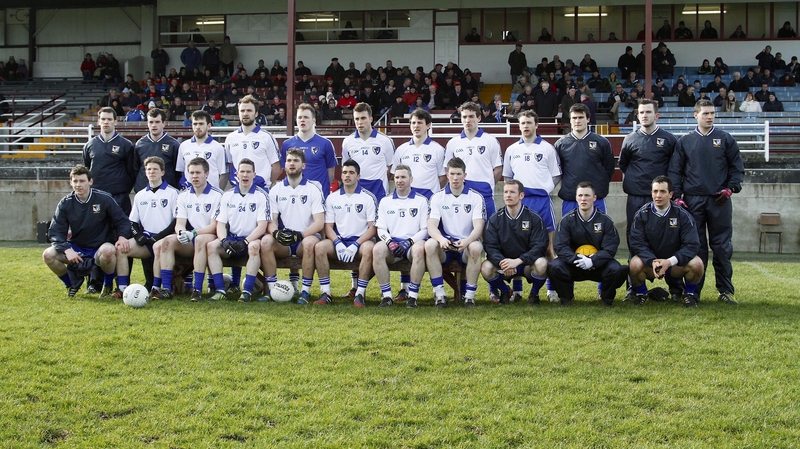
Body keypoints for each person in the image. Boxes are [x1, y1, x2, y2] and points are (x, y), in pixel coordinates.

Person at [669, 99, 744, 304]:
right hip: (693, 202)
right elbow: (675, 171)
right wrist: (677, 196)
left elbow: (737, 169)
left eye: (712, 113)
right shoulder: (684, 141)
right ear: (696, 115)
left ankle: (725, 291)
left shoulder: (725, 139)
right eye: (705, 113)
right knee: (696, 247)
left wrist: (731, 188)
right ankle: (693, 291)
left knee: (721, 247)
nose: (710, 117)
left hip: (719, 200)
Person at [618, 98, 680, 300]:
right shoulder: (630, 139)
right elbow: (624, 165)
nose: (644, 115)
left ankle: (676, 289)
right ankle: (633, 289)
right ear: (637, 115)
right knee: (634, 241)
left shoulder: (669, 139)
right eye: (641, 112)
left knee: (670, 240)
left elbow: (675, 168)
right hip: (636, 197)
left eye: (648, 112)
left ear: (657, 115)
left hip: (661, 199)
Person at [43, 165, 130, 297]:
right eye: (75, 181)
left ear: (90, 181)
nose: (78, 185)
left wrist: (122, 237)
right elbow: (55, 232)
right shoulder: (65, 203)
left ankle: (107, 286)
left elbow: (122, 220)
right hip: (76, 247)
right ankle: (70, 285)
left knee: (108, 251)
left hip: (99, 247)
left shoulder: (104, 198)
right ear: (70, 182)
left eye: (82, 181)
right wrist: (67, 250)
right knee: (48, 255)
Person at [502, 110, 561, 302]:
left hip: (542, 202)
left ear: (536, 125)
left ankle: (551, 290)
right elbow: (508, 177)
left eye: (529, 122)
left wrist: (545, 189)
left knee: (549, 249)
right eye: (522, 123)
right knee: (517, 247)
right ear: (518, 126)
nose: (525, 126)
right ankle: (517, 291)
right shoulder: (512, 150)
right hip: (521, 202)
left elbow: (556, 174)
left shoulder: (547, 148)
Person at [548, 182, 629, 306]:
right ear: (576, 198)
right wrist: (577, 259)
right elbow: (560, 246)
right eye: (580, 195)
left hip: (599, 266)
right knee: (554, 266)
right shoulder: (567, 220)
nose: (583, 199)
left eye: (587, 195)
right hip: (574, 264)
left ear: (594, 198)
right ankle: (567, 297)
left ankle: (606, 297)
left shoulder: (605, 221)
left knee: (617, 269)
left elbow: (610, 247)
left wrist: (593, 260)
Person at [261, 149, 325, 304]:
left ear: (303, 165)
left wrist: (301, 235)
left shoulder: (313, 188)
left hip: (306, 238)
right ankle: (271, 289)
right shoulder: (276, 189)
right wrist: (276, 233)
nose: (292, 163)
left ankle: (305, 291)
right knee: (266, 242)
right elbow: (272, 220)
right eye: (289, 160)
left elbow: (319, 222)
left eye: (295, 161)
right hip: (285, 240)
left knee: (310, 244)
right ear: (284, 165)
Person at [629, 176, 705, 307]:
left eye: (663, 191)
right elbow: (637, 243)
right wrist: (652, 261)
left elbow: (692, 245)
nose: (658, 195)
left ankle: (688, 295)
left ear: (670, 194)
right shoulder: (642, 214)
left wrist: (670, 261)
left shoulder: (683, 215)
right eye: (655, 191)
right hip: (651, 265)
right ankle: (642, 294)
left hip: (674, 264)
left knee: (697, 264)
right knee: (634, 264)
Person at [312, 160, 378, 306]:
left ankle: (359, 294)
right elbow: (328, 226)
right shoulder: (332, 197)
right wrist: (337, 242)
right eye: (344, 172)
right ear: (341, 176)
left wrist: (356, 244)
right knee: (320, 247)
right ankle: (326, 292)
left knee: (369, 249)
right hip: (339, 241)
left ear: (358, 176)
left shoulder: (368, 197)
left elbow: (372, 228)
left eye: (351, 173)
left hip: (360, 242)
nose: (347, 175)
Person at [112, 156, 179, 297]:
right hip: (147, 238)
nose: (151, 172)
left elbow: (177, 220)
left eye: (155, 169)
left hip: (165, 239)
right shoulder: (140, 195)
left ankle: (156, 288)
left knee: (160, 247)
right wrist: (138, 236)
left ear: (162, 172)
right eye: (148, 169)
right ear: (145, 172)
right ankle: (122, 288)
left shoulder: (173, 193)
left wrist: (159, 236)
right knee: (121, 249)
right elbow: (133, 222)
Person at [424, 157, 486, 308]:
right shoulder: (438, 197)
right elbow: (431, 226)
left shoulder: (476, 197)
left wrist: (467, 241)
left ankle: (469, 296)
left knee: (477, 247)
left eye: (459, 174)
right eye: (452, 174)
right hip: (446, 245)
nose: (455, 178)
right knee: (430, 245)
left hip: (466, 244)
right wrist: (441, 239)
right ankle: (439, 294)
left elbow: (479, 227)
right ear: (447, 175)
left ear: (465, 175)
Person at [207, 158, 271, 303]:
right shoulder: (227, 195)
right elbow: (221, 223)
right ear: (236, 174)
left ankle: (247, 291)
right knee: (211, 247)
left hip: (252, 239)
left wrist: (245, 241)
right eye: (242, 171)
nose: (245, 175)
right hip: (232, 238)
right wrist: (223, 241)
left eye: (248, 172)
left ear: (254, 174)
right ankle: (220, 290)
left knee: (254, 247)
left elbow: (262, 226)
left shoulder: (261, 196)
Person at [480, 178, 549, 305]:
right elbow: (490, 247)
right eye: (506, 192)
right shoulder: (495, 219)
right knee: (486, 268)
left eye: (512, 192)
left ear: (521, 195)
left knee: (542, 263)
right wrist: (502, 262)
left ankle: (534, 294)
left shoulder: (534, 218)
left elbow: (539, 247)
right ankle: (506, 291)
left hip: (526, 264)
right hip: (504, 265)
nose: (508, 195)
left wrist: (518, 261)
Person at [372, 165, 429, 308]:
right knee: (377, 249)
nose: (399, 180)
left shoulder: (421, 200)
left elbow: (425, 229)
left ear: (411, 179)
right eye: (397, 177)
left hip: (412, 244)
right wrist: (389, 242)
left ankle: (412, 297)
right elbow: (381, 228)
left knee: (419, 250)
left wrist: (409, 242)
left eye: (403, 177)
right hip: (393, 244)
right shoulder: (386, 201)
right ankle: (387, 296)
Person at [554, 103, 614, 216]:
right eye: (574, 118)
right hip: (571, 199)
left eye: (581, 117)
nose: (577, 121)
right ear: (570, 120)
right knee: (569, 233)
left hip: (596, 200)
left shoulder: (602, 142)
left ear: (588, 119)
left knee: (598, 233)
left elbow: (609, 169)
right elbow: (558, 170)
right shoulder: (561, 144)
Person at [444, 102, 502, 218]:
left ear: (479, 118)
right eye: (464, 117)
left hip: (484, 194)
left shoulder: (490, 140)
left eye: (471, 116)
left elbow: (498, 169)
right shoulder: (453, 143)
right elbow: (447, 169)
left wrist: (487, 184)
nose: (467, 120)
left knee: (488, 233)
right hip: (460, 194)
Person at [83, 107, 135, 216]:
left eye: (109, 119)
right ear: (98, 121)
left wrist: (123, 190)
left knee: (120, 229)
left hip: (119, 196)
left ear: (115, 121)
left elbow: (131, 171)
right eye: (103, 119)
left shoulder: (126, 145)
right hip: (96, 195)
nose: (106, 122)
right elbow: (87, 169)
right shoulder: (90, 145)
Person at [225, 95, 281, 189]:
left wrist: (266, 184)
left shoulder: (266, 137)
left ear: (256, 114)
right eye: (242, 111)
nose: (245, 113)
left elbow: (276, 167)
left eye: (249, 110)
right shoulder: (231, 138)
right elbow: (230, 165)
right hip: (237, 191)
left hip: (260, 190)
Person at [176, 110, 228, 190]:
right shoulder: (183, 146)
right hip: (190, 195)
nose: (197, 127)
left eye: (201, 124)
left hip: (211, 196)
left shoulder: (218, 147)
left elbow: (224, 174)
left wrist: (218, 193)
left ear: (209, 125)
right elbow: (181, 171)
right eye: (195, 124)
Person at [133, 108, 180, 192]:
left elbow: (178, 171)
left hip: (167, 192)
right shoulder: (140, 144)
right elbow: (135, 169)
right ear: (147, 123)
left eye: (157, 122)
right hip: (143, 190)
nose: (154, 125)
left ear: (164, 123)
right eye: (151, 122)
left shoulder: (174, 144)